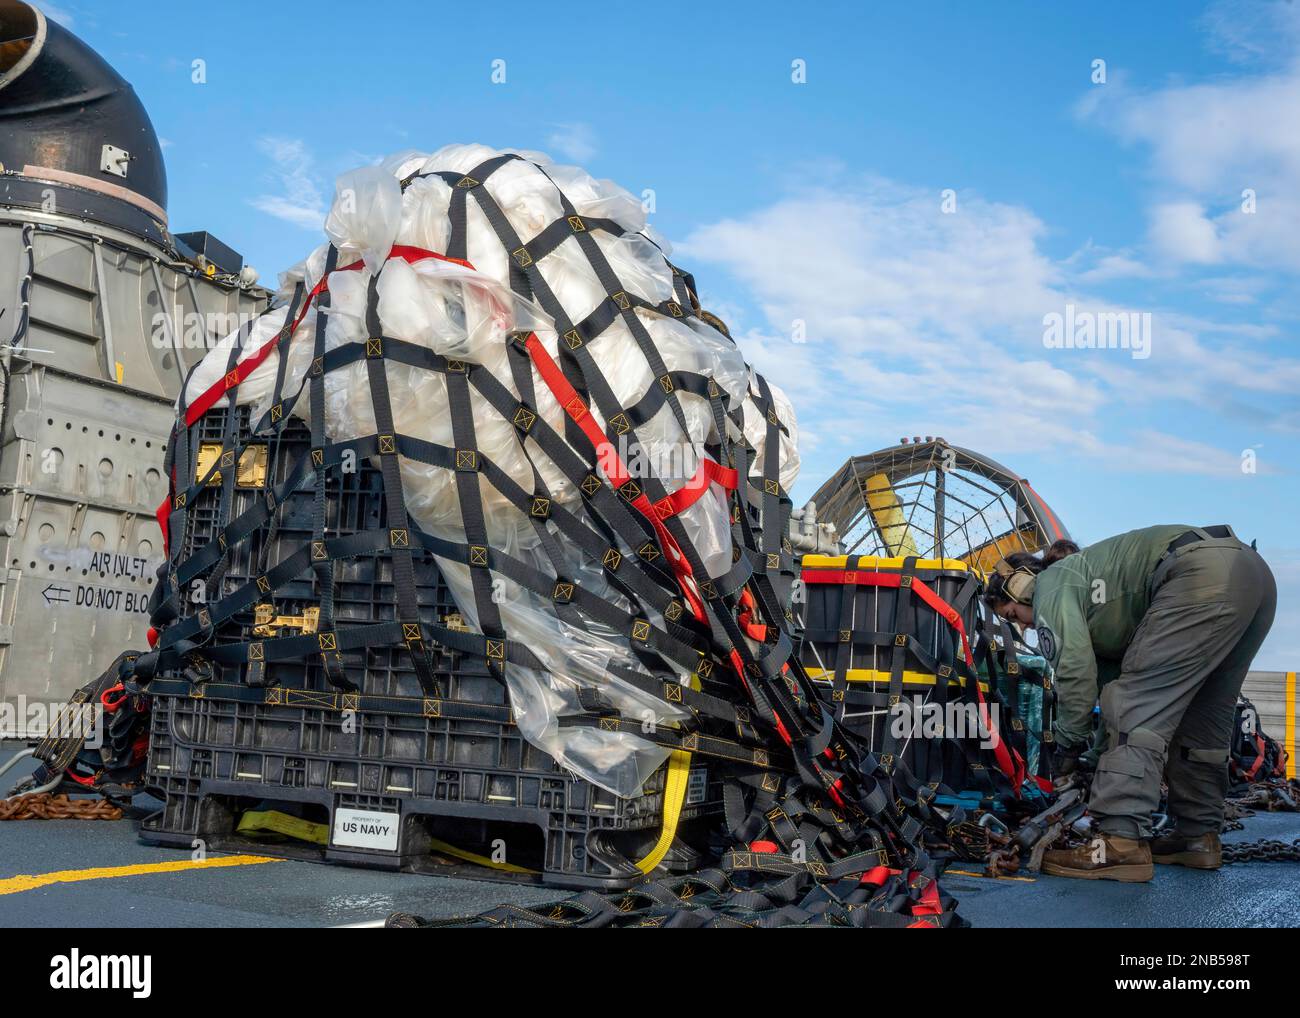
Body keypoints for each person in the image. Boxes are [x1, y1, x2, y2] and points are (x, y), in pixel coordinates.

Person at [984, 525, 1276, 881]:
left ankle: (1119, 844)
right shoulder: (1104, 614)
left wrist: (1067, 747)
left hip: (1198, 576)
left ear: (1021, 586)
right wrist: (1093, 759)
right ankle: (1197, 838)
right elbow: (1110, 695)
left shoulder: (1052, 584)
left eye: (1015, 616)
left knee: (1134, 705)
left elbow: (1076, 676)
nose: (1026, 629)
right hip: (1252, 576)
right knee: (1201, 719)